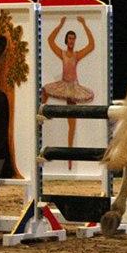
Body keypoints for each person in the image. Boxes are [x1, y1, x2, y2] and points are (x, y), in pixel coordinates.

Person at [41, 16, 95, 169]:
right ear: (66, 40)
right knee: (45, 91)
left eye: (73, 39)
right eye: (69, 38)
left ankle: (70, 158)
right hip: (63, 85)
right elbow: (50, 40)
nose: (71, 41)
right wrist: (60, 25)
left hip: (73, 87)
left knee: (72, 123)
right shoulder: (63, 53)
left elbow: (91, 45)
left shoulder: (77, 55)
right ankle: (41, 115)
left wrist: (85, 24)